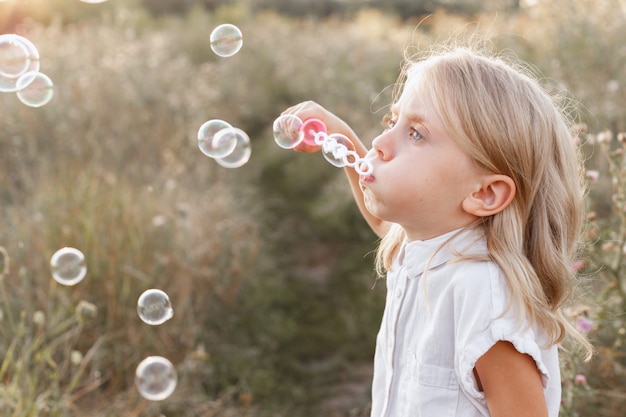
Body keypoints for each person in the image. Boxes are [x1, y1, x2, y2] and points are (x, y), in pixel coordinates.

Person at [280, 44, 593, 417]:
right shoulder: (426, 243)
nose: (379, 145)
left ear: (484, 193)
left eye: (415, 134)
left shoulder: (485, 298)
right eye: (390, 123)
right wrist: (344, 140)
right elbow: (385, 225)